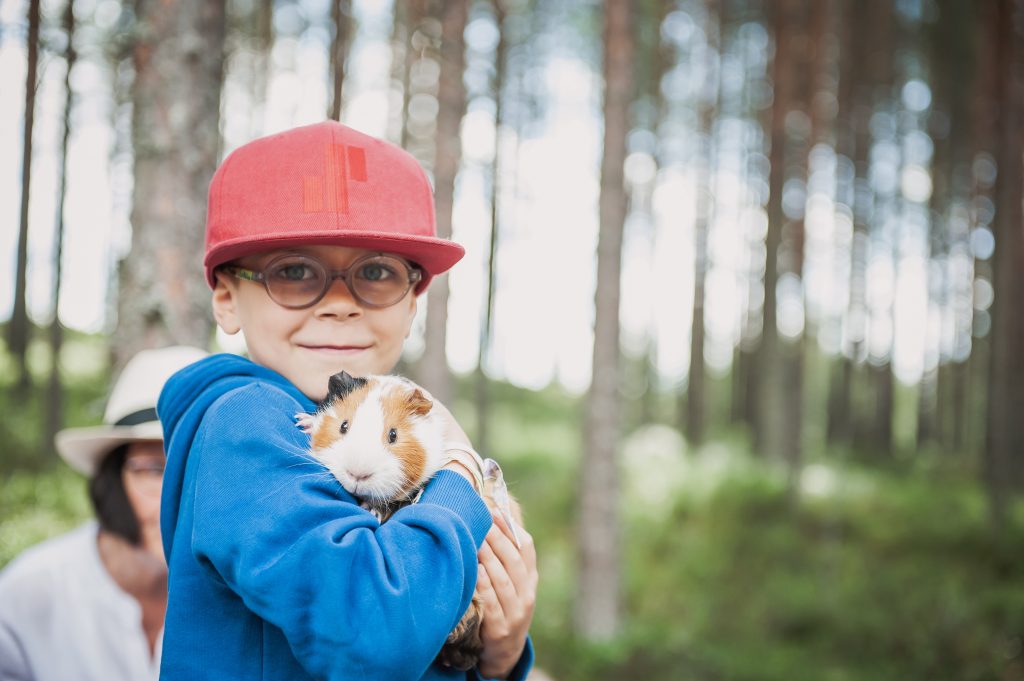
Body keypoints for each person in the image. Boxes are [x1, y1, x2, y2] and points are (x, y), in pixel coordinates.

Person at [157, 121, 537, 681]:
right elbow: (371, 634)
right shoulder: (246, 421)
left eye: (376, 272)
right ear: (226, 298)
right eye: (293, 272)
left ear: (413, 303)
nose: (339, 305)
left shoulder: (389, 423)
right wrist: (458, 469)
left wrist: (495, 657)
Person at [0, 345, 209, 681]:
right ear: (112, 477)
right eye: (156, 470)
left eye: (198, 470)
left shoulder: (244, 600)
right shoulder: (29, 592)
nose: (180, 498)